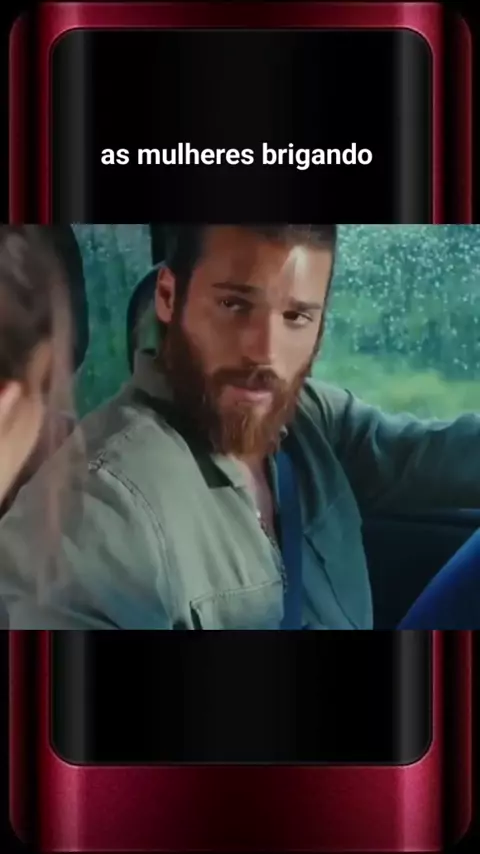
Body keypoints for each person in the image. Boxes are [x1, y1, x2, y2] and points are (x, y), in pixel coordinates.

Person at [2, 223, 480, 630]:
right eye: (234, 305)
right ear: (168, 296)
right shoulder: (97, 505)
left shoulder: (309, 421)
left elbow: (440, 456)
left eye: (296, 316)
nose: (264, 351)